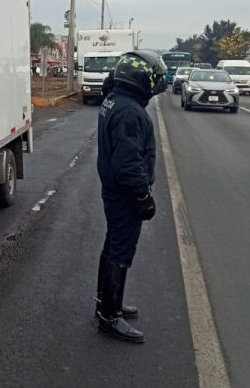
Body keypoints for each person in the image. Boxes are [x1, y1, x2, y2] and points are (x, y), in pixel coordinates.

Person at [94, 50, 167, 343]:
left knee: (112, 245)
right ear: (141, 79)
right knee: (120, 251)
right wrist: (143, 198)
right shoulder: (129, 112)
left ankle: (106, 303)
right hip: (123, 195)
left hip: (114, 191)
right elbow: (128, 163)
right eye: (155, 77)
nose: (158, 83)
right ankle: (110, 317)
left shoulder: (115, 100)